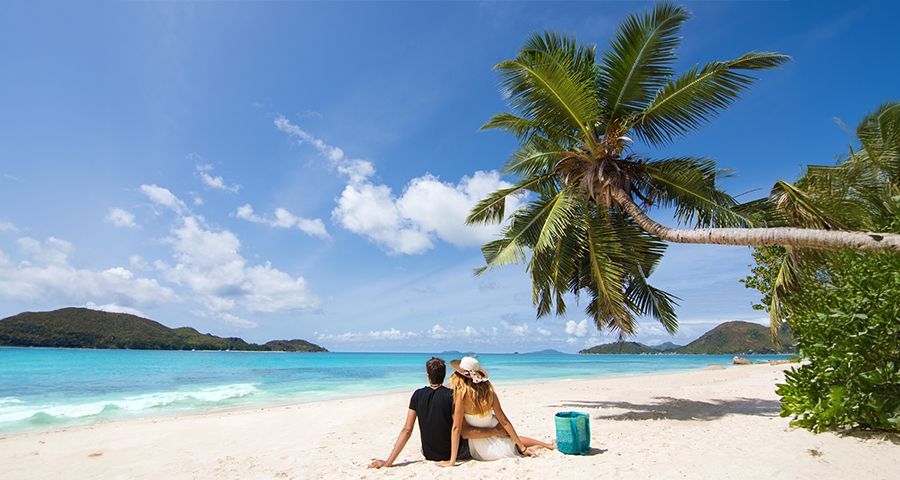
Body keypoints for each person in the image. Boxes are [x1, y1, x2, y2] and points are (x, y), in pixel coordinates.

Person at [368, 357, 508, 468]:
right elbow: (459, 429)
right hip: (457, 452)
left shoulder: (417, 395)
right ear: (444, 374)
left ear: (428, 375)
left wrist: (388, 462)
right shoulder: (452, 395)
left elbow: (407, 430)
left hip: (428, 453)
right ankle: (511, 439)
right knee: (489, 435)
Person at [438, 356, 555, 467]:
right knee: (512, 439)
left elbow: (456, 428)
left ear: (459, 376)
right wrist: (522, 448)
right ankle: (548, 446)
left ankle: (534, 447)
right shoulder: (489, 392)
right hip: (493, 427)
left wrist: (452, 460)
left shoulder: (461, 396)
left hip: (481, 445)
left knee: (510, 441)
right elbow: (504, 421)